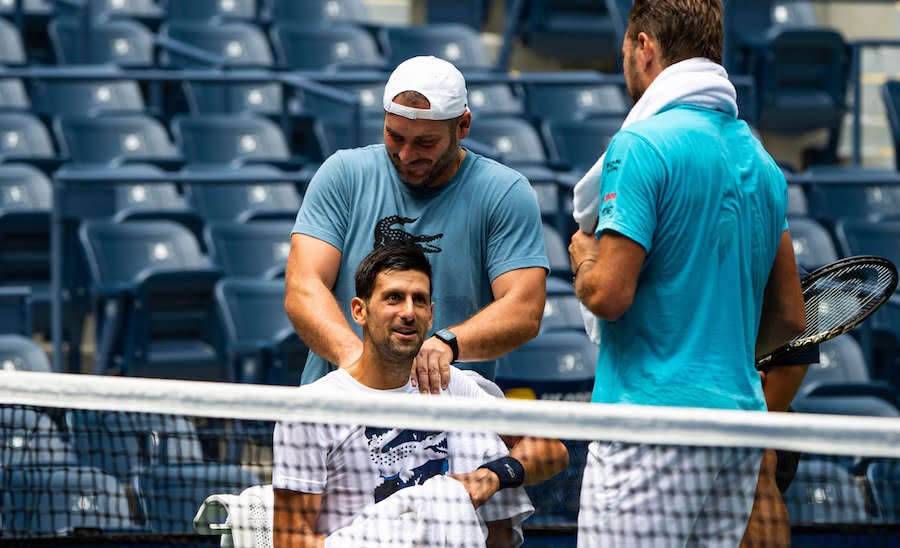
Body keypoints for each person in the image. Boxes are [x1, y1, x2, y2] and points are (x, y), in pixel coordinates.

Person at [567, 0, 807, 545]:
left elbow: (607, 293)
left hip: (652, 427)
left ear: (645, 47)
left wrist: (582, 254)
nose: (625, 62)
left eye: (626, 50)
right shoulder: (764, 163)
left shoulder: (641, 145)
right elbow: (792, 317)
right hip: (737, 429)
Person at [272, 244, 569, 547]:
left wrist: (491, 477)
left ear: (431, 316)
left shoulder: (451, 386)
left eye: (420, 301)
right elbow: (290, 542)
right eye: (394, 298)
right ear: (360, 311)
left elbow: (551, 449)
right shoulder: (311, 409)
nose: (409, 312)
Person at [284, 55, 548, 394]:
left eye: (425, 142)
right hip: (340, 406)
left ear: (463, 126)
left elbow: (524, 309)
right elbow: (303, 286)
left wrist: (446, 344)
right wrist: (359, 365)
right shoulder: (342, 174)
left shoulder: (505, 193)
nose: (407, 155)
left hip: (447, 417)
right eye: (395, 137)